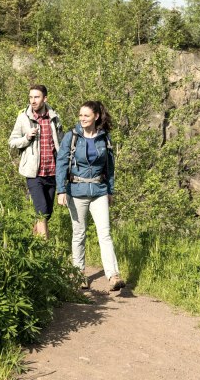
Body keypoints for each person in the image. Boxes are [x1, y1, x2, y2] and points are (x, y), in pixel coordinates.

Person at [55, 100, 125, 291]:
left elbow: (110, 168)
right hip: (76, 191)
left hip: (99, 191)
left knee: (105, 233)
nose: (82, 119)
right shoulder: (71, 137)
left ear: (96, 116)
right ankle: (79, 275)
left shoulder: (104, 138)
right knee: (79, 234)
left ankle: (113, 275)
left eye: (86, 115)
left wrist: (110, 190)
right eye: (80, 115)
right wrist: (61, 190)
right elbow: (61, 163)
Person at [9, 85, 63, 238]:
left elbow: (61, 143)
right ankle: (46, 249)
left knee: (47, 213)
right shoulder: (23, 118)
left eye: (36, 97)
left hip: (52, 172)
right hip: (34, 173)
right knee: (41, 211)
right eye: (31, 97)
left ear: (45, 98)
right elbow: (12, 142)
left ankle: (31, 240)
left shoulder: (54, 118)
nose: (33, 101)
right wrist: (26, 138)